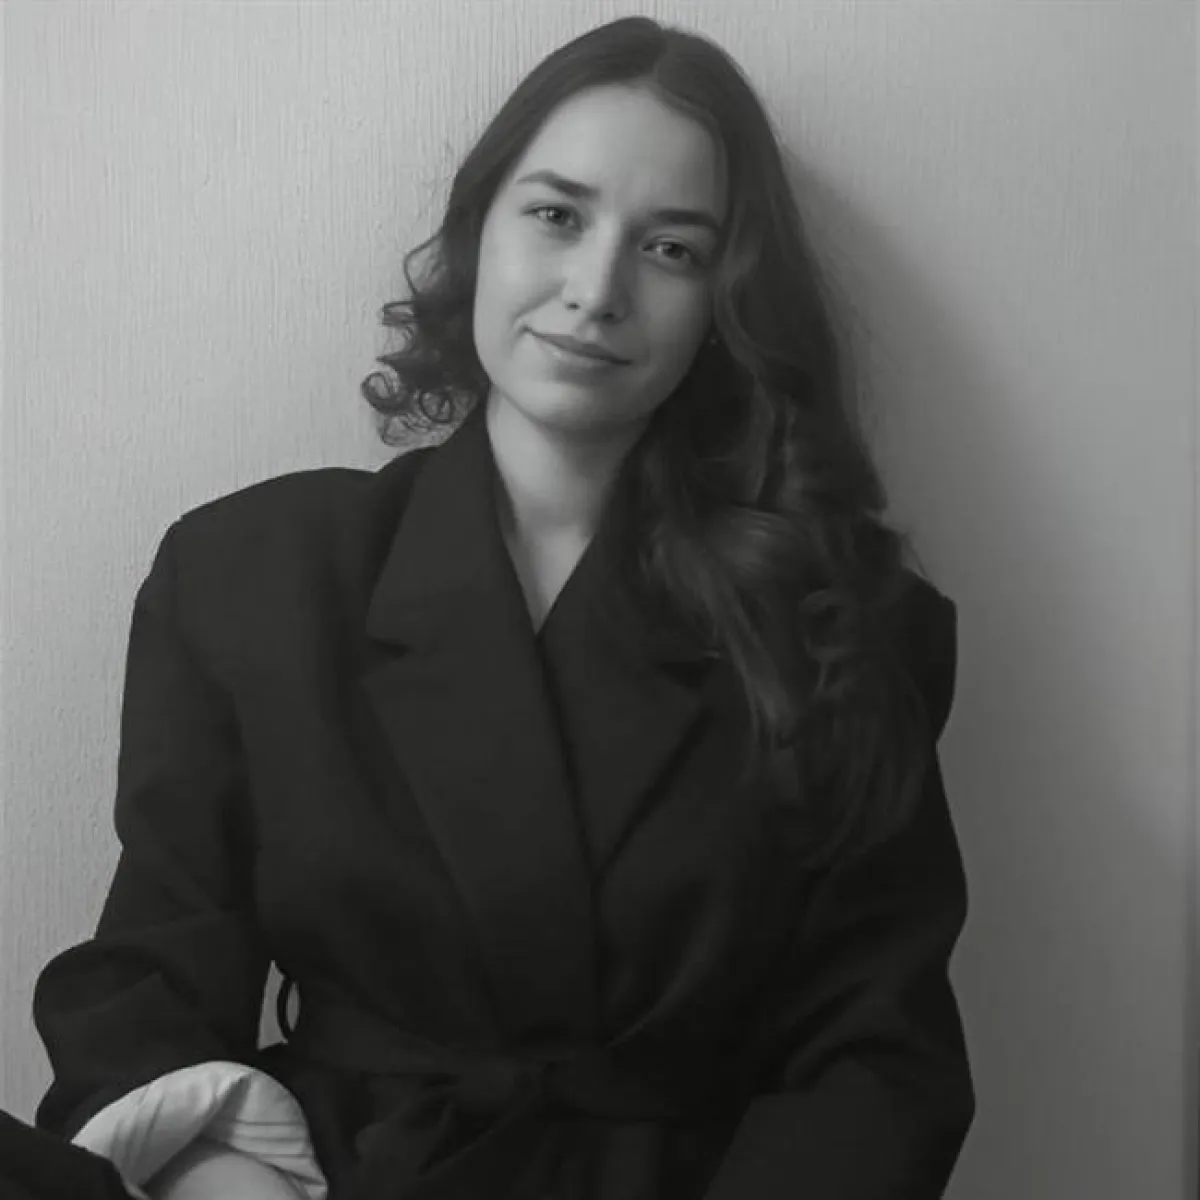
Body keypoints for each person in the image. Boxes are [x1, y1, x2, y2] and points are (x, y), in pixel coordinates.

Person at [10, 14, 974, 1200]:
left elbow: (876, 1060)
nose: (597, 291)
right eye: (558, 216)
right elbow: (149, 976)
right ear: (480, 230)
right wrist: (225, 1177)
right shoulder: (250, 573)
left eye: (671, 248)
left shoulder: (844, 625)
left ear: (725, 300)